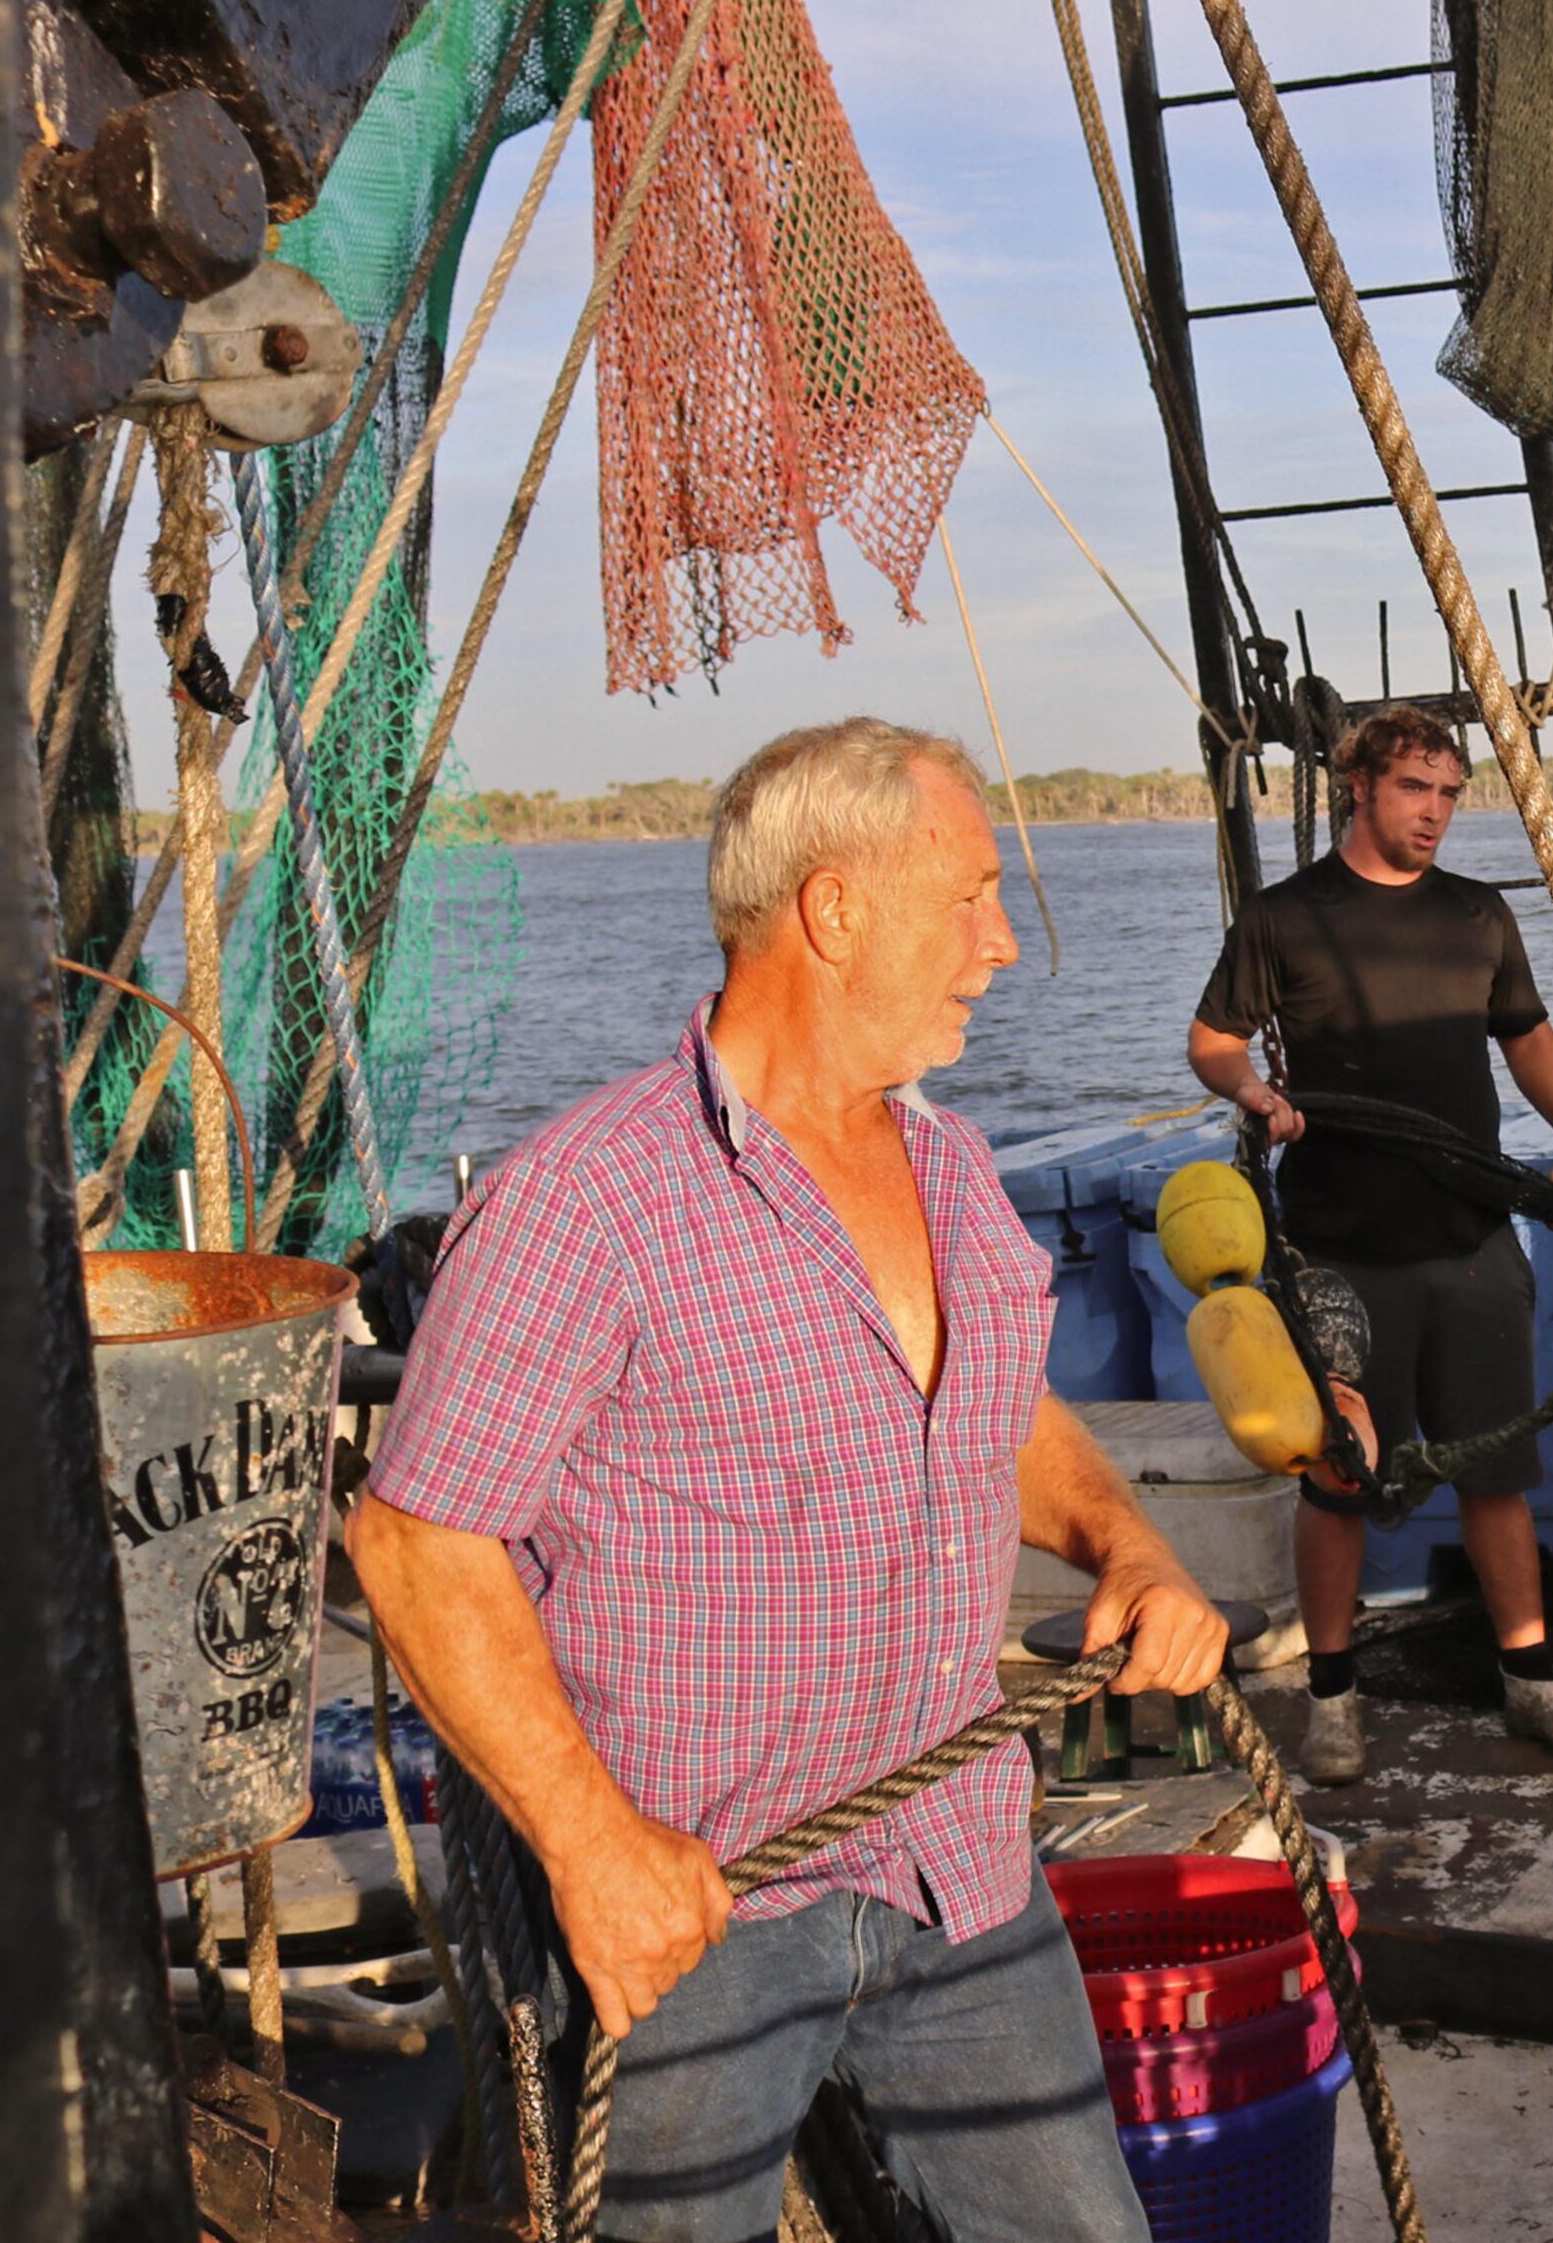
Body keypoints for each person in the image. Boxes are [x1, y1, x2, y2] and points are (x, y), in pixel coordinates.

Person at [351, 718, 1227, 2243]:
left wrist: (1127, 1549)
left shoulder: (951, 1166)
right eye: (967, 897)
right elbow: (419, 1544)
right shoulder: (587, 1201)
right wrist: (595, 1850)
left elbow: (997, 1408)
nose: (1003, 944)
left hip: (957, 1865)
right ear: (834, 911)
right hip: (700, 1915)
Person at [1187, 703, 1553, 1784]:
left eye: (1447, 793)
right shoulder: (1286, 917)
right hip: (1339, 1252)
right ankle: (1332, 1702)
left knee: (1495, 1473)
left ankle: (1535, 1683)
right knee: (1338, 1478)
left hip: (1472, 1240)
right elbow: (1213, 1041)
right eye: (1412, 790)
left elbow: (1528, 1040)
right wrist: (1254, 1092)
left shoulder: (1479, 916)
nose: (1432, 813)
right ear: (1359, 787)